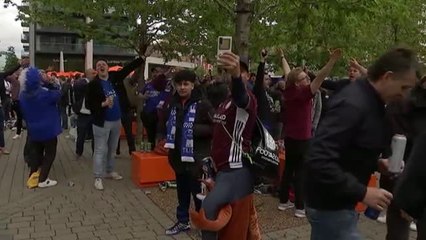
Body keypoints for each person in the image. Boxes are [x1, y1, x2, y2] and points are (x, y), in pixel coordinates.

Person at [304, 47, 419, 239]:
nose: (405, 95)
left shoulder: (371, 102)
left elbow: (346, 149)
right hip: (330, 206)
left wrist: (376, 164)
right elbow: (318, 158)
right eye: (404, 87)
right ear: (388, 77)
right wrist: (364, 192)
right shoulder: (353, 103)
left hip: (341, 205)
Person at [196, 52, 260, 239]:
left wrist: (236, 75)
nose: (232, 74)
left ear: (247, 76)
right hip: (222, 171)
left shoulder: (248, 100)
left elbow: (242, 96)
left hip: (237, 170)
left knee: (209, 210)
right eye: (228, 71)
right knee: (230, 228)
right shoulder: (225, 101)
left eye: (241, 72)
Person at [278, 49, 342, 218]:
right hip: (303, 139)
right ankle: (300, 207)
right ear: (298, 83)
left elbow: (287, 72)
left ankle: (283, 202)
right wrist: (332, 61)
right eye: (304, 78)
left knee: (288, 169)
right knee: (301, 173)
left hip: (290, 138)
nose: (308, 78)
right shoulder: (304, 93)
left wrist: (283, 57)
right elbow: (320, 77)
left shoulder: (289, 90)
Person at [160, 69, 214, 235]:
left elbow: (215, 128)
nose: (182, 87)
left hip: (196, 158)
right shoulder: (171, 103)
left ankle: (203, 225)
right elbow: (164, 122)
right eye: (179, 84)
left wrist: (193, 129)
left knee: (198, 194)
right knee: (182, 193)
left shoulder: (203, 104)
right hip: (177, 157)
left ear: (192, 85)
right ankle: (182, 222)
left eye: (186, 84)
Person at [86, 58, 142, 190]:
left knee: (112, 149)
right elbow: (89, 104)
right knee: (100, 150)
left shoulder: (113, 78)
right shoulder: (93, 85)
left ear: (107, 67)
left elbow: (128, 68)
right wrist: (103, 104)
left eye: (103, 64)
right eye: (98, 65)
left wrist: (142, 58)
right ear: (96, 69)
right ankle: (98, 177)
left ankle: (109, 171)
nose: (101, 66)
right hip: (102, 122)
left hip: (116, 121)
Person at [20, 67, 62, 188]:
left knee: (36, 153)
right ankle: (43, 179)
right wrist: (50, 82)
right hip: (48, 130)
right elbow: (58, 94)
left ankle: (32, 176)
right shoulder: (44, 93)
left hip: (33, 129)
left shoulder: (23, 95)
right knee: (50, 154)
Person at [73, 69, 97, 160]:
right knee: (81, 135)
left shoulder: (96, 84)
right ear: (87, 74)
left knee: (95, 135)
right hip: (83, 114)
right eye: (93, 73)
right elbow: (79, 86)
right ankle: (78, 153)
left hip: (93, 113)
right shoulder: (81, 83)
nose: (95, 75)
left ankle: (95, 154)